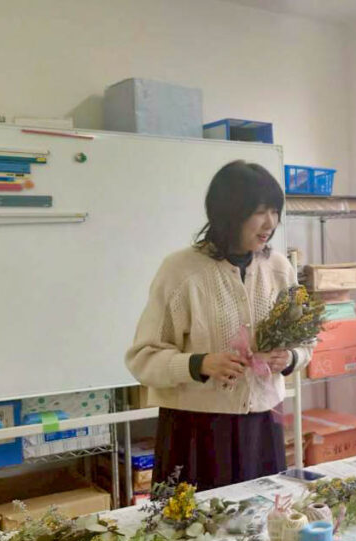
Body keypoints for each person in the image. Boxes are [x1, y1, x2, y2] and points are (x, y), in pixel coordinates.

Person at [127, 161, 311, 490]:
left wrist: (291, 358)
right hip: (196, 431)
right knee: (192, 534)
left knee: (264, 527)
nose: (270, 222)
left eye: (274, 211)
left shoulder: (279, 268)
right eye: (258, 211)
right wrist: (200, 363)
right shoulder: (181, 271)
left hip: (261, 428)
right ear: (229, 213)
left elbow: (305, 340)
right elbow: (143, 358)